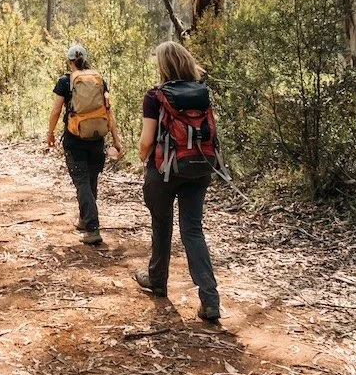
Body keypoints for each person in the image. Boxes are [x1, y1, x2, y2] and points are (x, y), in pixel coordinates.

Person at [134, 40, 222, 321]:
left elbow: (147, 140)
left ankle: (157, 280)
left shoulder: (155, 96)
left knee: (161, 223)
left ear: (163, 66)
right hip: (200, 166)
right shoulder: (202, 93)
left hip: (165, 169)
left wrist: (142, 158)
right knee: (193, 230)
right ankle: (209, 299)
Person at [43, 44, 122, 245]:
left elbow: (56, 111)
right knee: (90, 180)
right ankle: (84, 219)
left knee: (82, 182)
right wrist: (116, 139)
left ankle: (92, 228)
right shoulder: (99, 80)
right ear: (86, 59)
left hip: (75, 138)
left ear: (69, 61)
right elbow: (108, 111)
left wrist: (50, 133)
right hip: (97, 137)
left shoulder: (65, 81)